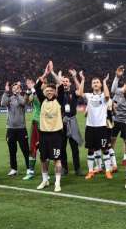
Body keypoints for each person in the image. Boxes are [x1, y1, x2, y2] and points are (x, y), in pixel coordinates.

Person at [34, 61, 65, 192]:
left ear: (55, 92)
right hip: (43, 135)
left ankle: (57, 182)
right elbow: (37, 87)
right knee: (43, 159)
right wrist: (45, 73)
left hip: (56, 135)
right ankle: (45, 180)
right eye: (47, 90)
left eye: (52, 90)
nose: (49, 92)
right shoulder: (42, 101)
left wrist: (52, 72)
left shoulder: (59, 100)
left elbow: (61, 84)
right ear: (45, 92)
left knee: (57, 160)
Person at [77, 70, 112, 180]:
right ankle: (91, 171)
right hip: (90, 127)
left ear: (100, 84)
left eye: (97, 82)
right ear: (91, 86)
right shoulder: (88, 96)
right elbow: (80, 93)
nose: (95, 84)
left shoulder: (103, 96)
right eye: (93, 83)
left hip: (101, 127)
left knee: (105, 149)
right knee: (90, 150)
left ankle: (107, 171)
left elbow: (107, 96)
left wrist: (105, 82)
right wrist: (82, 80)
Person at [51, 68, 84, 177]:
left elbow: (80, 91)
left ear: (69, 83)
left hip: (72, 122)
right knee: (62, 147)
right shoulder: (59, 94)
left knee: (74, 148)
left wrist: (75, 77)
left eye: (66, 81)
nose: (65, 82)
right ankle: (64, 168)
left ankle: (77, 168)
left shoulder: (73, 93)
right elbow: (56, 88)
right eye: (63, 81)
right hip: (62, 123)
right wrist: (58, 78)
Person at [1, 81, 30, 177]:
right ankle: (14, 169)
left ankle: (29, 168)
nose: (15, 89)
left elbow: (23, 103)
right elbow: (3, 103)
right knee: (12, 150)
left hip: (21, 128)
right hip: (10, 129)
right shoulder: (9, 99)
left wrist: (17, 94)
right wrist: (6, 92)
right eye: (13, 88)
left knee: (25, 150)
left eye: (17, 88)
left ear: (20, 89)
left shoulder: (22, 97)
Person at [111, 65, 126, 169]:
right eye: (124, 86)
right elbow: (113, 90)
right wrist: (117, 77)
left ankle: (125, 158)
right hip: (115, 120)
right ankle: (112, 160)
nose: (125, 87)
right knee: (112, 139)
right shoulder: (118, 91)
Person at [24, 78, 40, 180]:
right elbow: (26, 101)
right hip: (34, 123)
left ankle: (46, 173)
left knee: (43, 149)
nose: (28, 84)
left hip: (44, 124)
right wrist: (28, 91)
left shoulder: (44, 93)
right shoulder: (32, 93)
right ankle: (30, 171)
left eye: (30, 83)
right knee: (32, 148)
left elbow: (39, 102)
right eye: (27, 84)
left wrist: (34, 90)